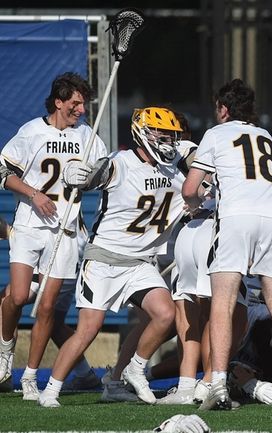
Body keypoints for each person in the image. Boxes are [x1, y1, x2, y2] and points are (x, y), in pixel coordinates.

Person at [36, 107, 189, 408]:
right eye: (161, 134)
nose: (168, 141)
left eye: (172, 136)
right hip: (105, 259)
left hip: (141, 262)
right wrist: (76, 176)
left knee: (165, 314)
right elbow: (95, 176)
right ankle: (50, 390)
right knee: (88, 330)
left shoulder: (174, 170)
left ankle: (130, 371)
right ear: (143, 134)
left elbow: (195, 193)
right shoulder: (121, 163)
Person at [182, 79, 272, 410]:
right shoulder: (268, 137)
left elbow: (189, 189)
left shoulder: (215, 134)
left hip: (236, 218)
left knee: (223, 302)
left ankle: (219, 385)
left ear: (223, 109)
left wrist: (197, 203)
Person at [0, 72, 108, 398]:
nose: (81, 110)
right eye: (75, 103)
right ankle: (5, 354)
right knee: (17, 297)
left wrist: (88, 178)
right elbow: (4, 172)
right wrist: (34, 194)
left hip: (66, 228)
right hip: (32, 224)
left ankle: (31, 376)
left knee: (47, 306)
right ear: (59, 102)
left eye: (84, 103)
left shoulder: (88, 136)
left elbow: (105, 174)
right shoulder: (32, 131)